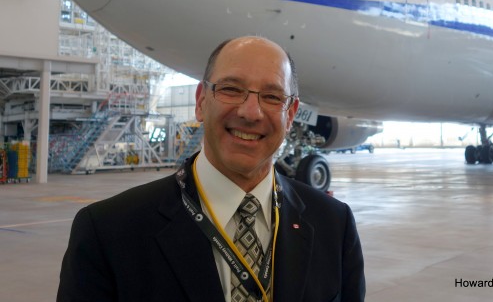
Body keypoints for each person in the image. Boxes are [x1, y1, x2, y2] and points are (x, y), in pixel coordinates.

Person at [57, 36, 366, 302]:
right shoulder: (107, 232)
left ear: (290, 114)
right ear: (201, 101)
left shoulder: (334, 225)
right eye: (231, 89)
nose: (250, 112)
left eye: (272, 97)